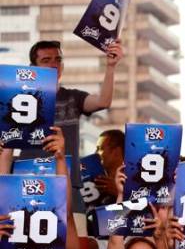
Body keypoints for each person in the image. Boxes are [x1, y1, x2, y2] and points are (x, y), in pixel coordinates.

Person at [28, 39, 123, 192]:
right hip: (28, 181)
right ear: (33, 68)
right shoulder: (17, 99)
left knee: (76, 218)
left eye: (58, 60)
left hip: (69, 183)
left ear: (62, 66)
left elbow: (103, 102)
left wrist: (111, 67)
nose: (54, 64)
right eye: (46, 60)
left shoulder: (73, 97)